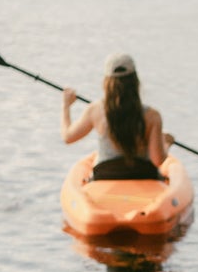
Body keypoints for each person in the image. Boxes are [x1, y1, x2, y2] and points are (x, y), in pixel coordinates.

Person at [61, 53, 173, 181]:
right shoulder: (153, 116)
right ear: (135, 81)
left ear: (106, 82)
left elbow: (68, 137)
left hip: (105, 176)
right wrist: (166, 143)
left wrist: (66, 106)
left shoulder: (95, 110)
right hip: (143, 175)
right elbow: (158, 160)